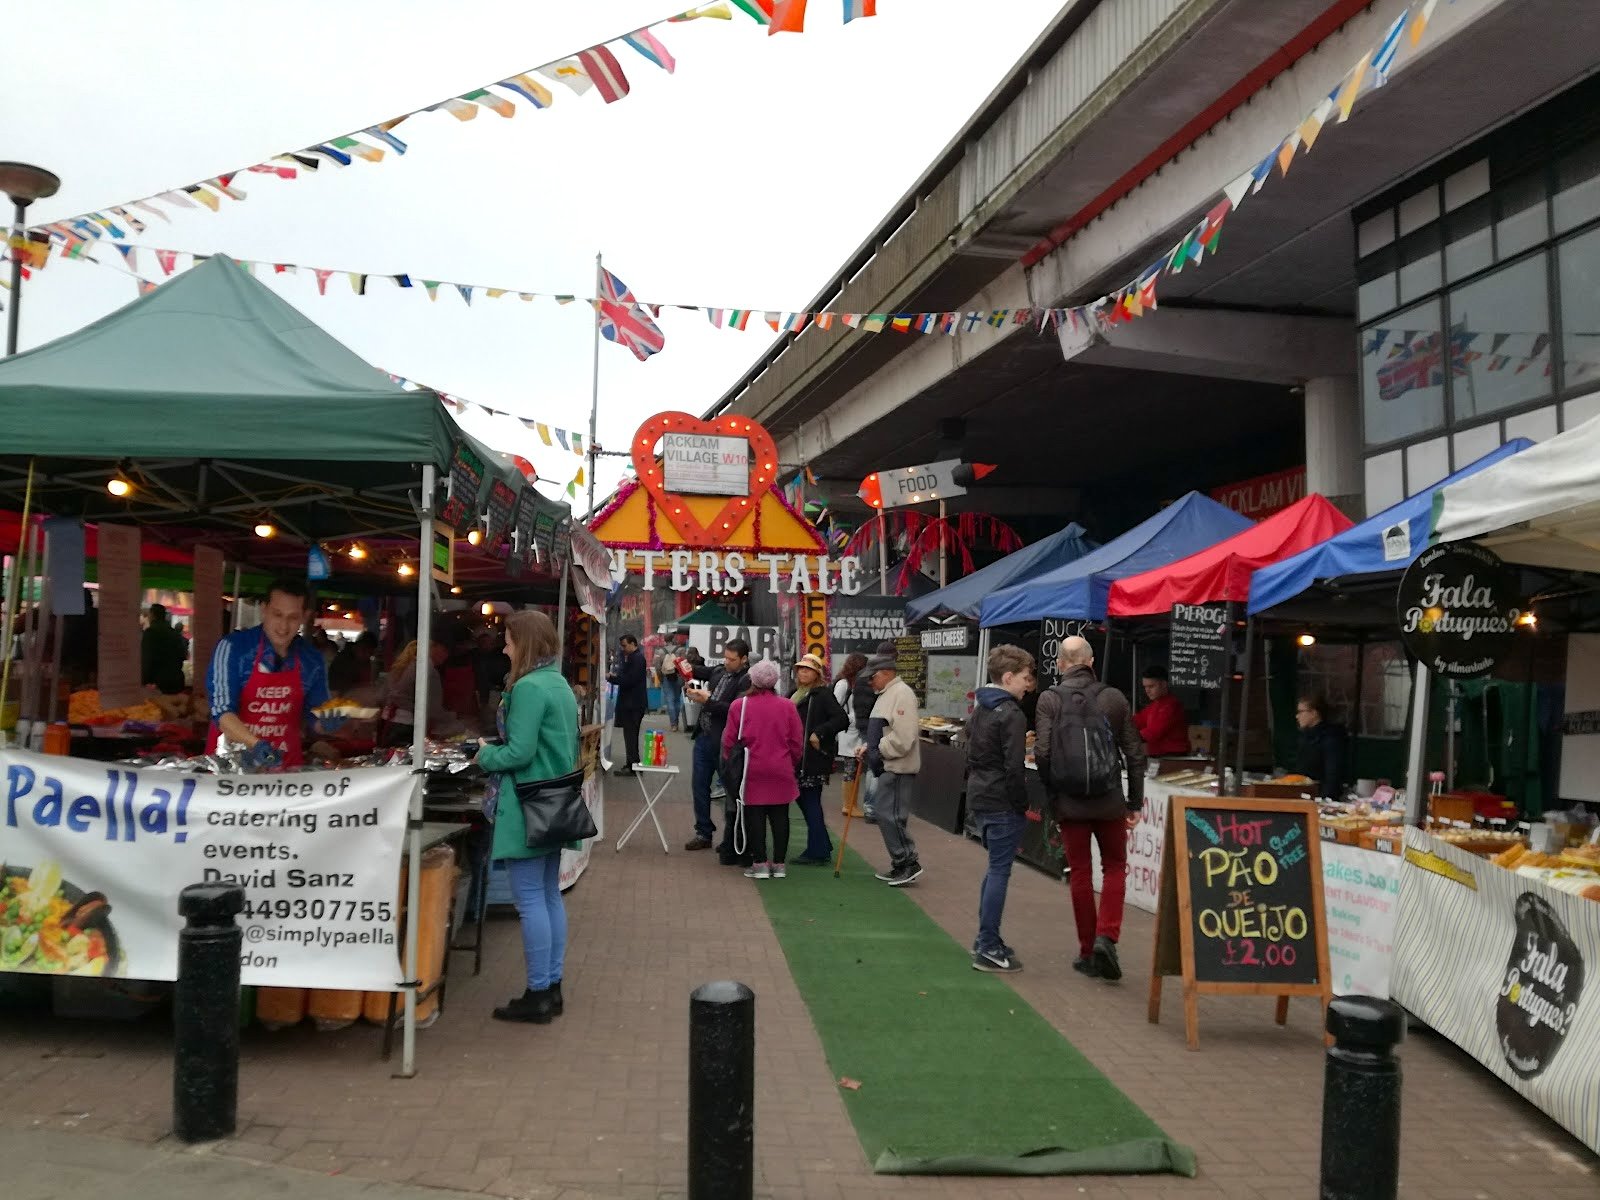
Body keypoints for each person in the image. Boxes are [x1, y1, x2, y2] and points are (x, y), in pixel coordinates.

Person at [474, 610, 580, 1024]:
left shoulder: (529, 688)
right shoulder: (558, 683)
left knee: (531, 899)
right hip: (555, 801)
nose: (504, 647)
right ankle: (551, 987)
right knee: (549, 895)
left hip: (526, 802)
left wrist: (486, 753)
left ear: (525, 644)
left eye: (509, 640)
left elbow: (519, 752)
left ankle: (538, 992)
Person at [1034, 635, 1146, 983]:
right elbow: (1134, 753)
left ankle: (1087, 951)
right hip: (1109, 798)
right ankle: (1107, 937)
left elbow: (1042, 752)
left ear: (1061, 664)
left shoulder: (1049, 699)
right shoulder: (1112, 697)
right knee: (1115, 868)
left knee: (1079, 872)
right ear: (1091, 661)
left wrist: (1054, 795)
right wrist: (1134, 801)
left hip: (1069, 802)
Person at [205, 578, 335, 768]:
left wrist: (329, 723)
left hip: (285, 770)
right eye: (277, 615)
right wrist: (255, 744)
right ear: (264, 609)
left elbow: (315, 716)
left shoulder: (311, 659)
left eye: (292, 617)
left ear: (304, 617)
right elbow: (222, 712)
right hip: (231, 768)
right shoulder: (234, 648)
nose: (283, 626)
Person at [965, 644, 1035, 973]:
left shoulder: (981, 708)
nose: (1028, 684)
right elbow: (1014, 767)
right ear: (1008, 677)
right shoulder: (1011, 713)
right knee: (999, 871)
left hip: (981, 795)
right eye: (1024, 677)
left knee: (994, 869)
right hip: (1002, 800)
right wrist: (1022, 804)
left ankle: (985, 939)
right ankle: (989, 944)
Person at [723, 659, 803, 879]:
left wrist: (729, 763)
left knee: (754, 817)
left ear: (752, 680)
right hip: (781, 768)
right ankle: (779, 864)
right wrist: (792, 762)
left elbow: (729, 741)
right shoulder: (788, 706)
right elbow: (797, 742)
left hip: (751, 769)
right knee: (781, 816)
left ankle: (759, 863)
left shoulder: (740, 705)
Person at [684, 639, 752, 859]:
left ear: (744, 659)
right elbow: (696, 671)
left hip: (727, 744)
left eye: (732, 659)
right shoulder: (719, 671)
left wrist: (708, 700)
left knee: (731, 792)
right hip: (704, 737)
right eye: (725, 657)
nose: (727, 662)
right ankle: (703, 832)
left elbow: (735, 710)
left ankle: (731, 839)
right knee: (699, 786)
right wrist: (694, 691)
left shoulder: (747, 680)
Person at [860, 651, 923, 886]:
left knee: (891, 815)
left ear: (887, 673)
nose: (869, 681)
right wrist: (870, 747)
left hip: (897, 767)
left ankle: (908, 862)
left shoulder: (901, 694)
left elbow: (904, 737)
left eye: (872, 676)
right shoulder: (889, 693)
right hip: (889, 765)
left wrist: (878, 748)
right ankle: (901, 862)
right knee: (886, 814)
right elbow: (886, 732)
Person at [790, 653, 849, 864]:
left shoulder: (822, 695)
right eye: (800, 668)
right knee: (805, 802)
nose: (802, 672)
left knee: (811, 802)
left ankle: (817, 850)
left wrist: (820, 732)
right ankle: (821, 844)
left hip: (812, 760)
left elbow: (842, 719)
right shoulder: (795, 693)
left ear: (817, 674)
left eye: (808, 669)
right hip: (796, 758)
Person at [382, 640, 457, 748]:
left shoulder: (404, 666)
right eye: (444, 650)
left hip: (391, 722)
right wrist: (454, 720)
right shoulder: (427, 670)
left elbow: (383, 695)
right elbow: (433, 709)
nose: (446, 655)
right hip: (407, 726)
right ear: (432, 648)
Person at [607, 634, 649, 776]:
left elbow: (629, 680)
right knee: (630, 735)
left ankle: (633, 765)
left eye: (625, 645)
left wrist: (613, 678)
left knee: (631, 735)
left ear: (633, 644)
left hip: (633, 705)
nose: (623, 649)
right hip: (632, 704)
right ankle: (632, 764)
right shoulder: (633, 658)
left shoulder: (637, 659)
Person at [1295, 694, 1347, 800]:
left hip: (1321, 797)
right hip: (1305, 794)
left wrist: (1324, 798)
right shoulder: (1305, 737)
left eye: (1301, 712)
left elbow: (1332, 773)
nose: (1297, 716)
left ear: (1314, 713)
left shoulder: (1331, 738)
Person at [1133, 665, 1191, 758]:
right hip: (1158, 756)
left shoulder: (1172, 705)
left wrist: (1128, 736)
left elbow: (1152, 733)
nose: (1147, 690)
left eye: (1151, 686)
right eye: (1145, 687)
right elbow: (1137, 721)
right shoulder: (1153, 706)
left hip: (1173, 757)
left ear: (1164, 684)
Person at [141, 602, 188, 695]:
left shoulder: (150, 633)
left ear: (152, 615)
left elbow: (146, 658)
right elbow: (183, 655)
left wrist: (144, 680)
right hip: (175, 681)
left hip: (157, 683)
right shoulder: (175, 634)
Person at [658, 630, 688, 733]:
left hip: (666, 677)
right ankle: (677, 720)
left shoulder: (660, 651)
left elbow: (657, 666)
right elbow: (685, 664)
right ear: (674, 639)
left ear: (665, 640)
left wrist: (660, 678)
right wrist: (685, 678)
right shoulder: (681, 650)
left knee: (669, 700)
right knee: (677, 699)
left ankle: (673, 724)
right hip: (679, 676)